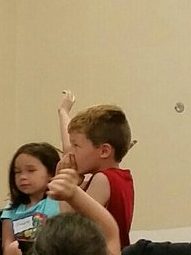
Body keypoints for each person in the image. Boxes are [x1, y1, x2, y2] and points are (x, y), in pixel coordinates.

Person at [57, 91, 135, 246]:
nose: (70, 153)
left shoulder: (102, 180)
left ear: (104, 151)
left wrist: (65, 182)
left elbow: (68, 229)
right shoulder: (122, 177)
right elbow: (69, 146)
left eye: (76, 146)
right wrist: (63, 112)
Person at [1, 142, 67, 255]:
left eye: (31, 171)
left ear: (51, 173)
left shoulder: (57, 201)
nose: (22, 177)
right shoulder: (11, 208)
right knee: (12, 248)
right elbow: (7, 245)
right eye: (17, 172)